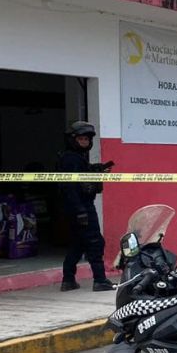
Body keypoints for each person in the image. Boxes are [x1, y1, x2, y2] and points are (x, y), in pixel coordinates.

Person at [58, 121, 115, 292]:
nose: (84, 142)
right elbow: (69, 187)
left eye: (86, 139)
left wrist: (96, 169)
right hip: (81, 207)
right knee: (95, 242)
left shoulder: (77, 158)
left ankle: (68, 279)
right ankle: (100, 280)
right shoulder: (70, 159)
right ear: (73, 140)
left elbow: (83, 175)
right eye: (81, 139)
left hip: (79, 207)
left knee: (78, 244)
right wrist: (80, 210)